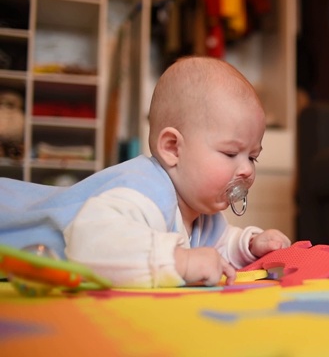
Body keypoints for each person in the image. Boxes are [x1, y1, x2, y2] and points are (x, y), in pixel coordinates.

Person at [0, 56, 291, 288]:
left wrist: (249, 245)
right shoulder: (144, 190)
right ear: (173, 148)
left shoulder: (202, 213)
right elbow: (89, 241)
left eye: (253, 157)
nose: (246, 170)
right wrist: (180, 263)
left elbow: (214, 250)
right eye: (230, 153)